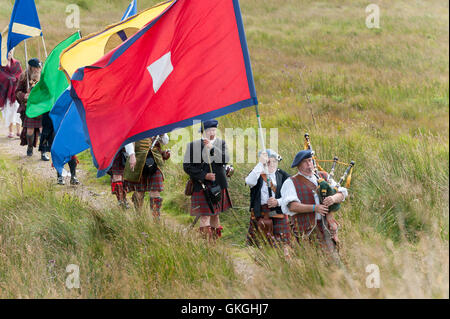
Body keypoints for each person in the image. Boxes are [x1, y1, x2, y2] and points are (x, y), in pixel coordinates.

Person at [280, 149, 348, 260]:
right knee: (310, 261)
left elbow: (342, 193)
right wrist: (314, 208)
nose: (309, 164)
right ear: (298, 165)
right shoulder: (291, 182)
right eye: (305, 162)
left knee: (333, 260)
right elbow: (292, 206)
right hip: (305, 229)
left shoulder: (324, 177)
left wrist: (333, 198)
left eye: (310, 160)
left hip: (327, 226)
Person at [183, 119, 232, 241]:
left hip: (218, 185)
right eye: (209, 130)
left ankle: (214, 244)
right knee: (205, 217)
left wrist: (212, 148)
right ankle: (207, 247)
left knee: (215, 215)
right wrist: (204, 176)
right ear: (203, 132)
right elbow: (187, 167)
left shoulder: (221, 143)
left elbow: (225, 159)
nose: (212, 132)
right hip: (201, 186)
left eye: (214, 130)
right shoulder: (193, 146)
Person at [245, 149, 291, 247]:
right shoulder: (257, 174)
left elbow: (290, 195)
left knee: (282, 245)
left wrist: (278, 202)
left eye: (275, 161)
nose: (272, 164)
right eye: (269, 161)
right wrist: (260, 164)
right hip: (260, 213)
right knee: (258, 245)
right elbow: (249, 182)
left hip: (277, 212)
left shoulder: (283, 175)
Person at [124, 134, 170, 220]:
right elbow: (128, 139)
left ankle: (156, 218)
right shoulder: (134, 123)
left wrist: (162, 135)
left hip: (155, 161)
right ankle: (139, 217)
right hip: (139, 160)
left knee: (155, 191)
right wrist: (131, 155)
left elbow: (165, 141)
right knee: (139, 192)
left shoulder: (156, 123)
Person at [16, 58, 42, 157]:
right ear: (31, 67)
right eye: (35, 67)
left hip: (41, 107)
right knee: (29, 130)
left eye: (39, 67)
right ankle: (30, 147)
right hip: (30, 107)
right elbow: (17, 92)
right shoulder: (24, 77)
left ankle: (43, 151)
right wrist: (24, 96)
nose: (37, 69)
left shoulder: (43, 76)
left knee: (43, 129)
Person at [0, 50, 22, 138]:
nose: (8, 54)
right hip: (6, 92)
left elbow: (20, 75)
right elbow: (1, 76)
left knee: (18, 110)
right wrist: (10, 79)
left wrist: (13, 80)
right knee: (9, 110)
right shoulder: (1, 64)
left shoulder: (17, 63)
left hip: (16, 91)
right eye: (7, 53)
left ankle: (19, 130)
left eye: (10, 52)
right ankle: (10, 131)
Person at [108, 145, 134, 209]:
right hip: (111, 149)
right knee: (116, 176)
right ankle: (120, 201)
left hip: (123, 149)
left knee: (124, 177)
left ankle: (124, 199)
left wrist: (131, 153)